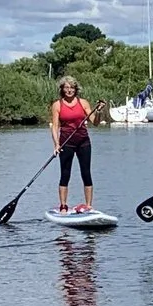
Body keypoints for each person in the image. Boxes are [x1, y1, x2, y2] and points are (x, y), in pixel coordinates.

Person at [51, 76, 98, 215]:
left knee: (86, 173)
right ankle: (63, 205)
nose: (69, 90)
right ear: (62, 89)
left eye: (72, 87)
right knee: (65, 174)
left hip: (83, 142)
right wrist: (56, 144)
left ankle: (89, 206)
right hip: (66, 142)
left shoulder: (83, 103)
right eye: (66, 87)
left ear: (76, 89)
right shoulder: (57, 105)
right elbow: (54, 127)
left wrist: (99, 111)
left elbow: (95, 122)